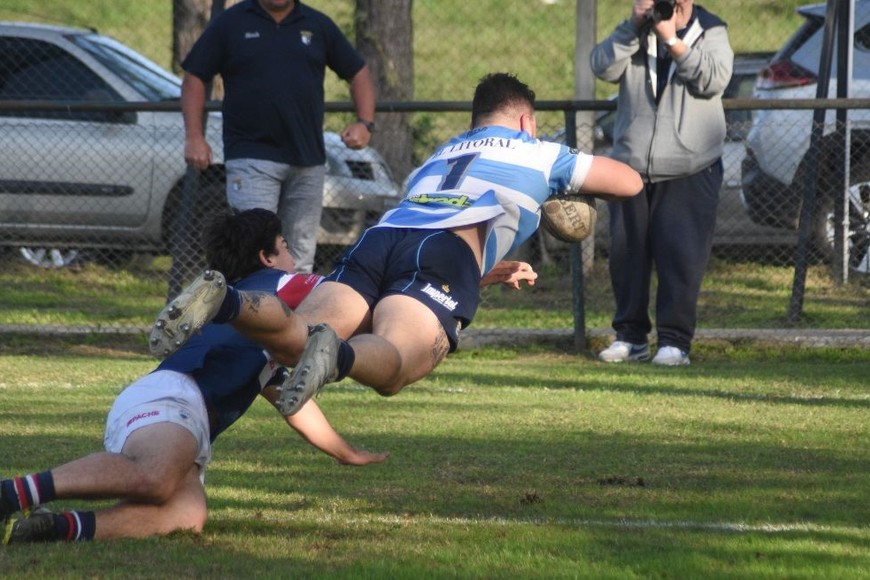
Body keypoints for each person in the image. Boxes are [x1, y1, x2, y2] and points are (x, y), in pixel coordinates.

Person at [150, 72, 643, 417]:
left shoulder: (439, 156)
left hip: (383, 237)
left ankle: (227, 299)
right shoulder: (539, 151)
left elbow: (422, 227)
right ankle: (340, 358)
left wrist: (483, 270)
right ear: (524, 121)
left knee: (297, 334)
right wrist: (566, 183)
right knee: (394, 367)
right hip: (447, 248)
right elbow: (629, 182)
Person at [1, 209, 387, 545]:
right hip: (175, 395)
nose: (293, 257)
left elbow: (292, 400)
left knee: (186, 516)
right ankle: (11, 494)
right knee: (156, 476)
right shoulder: (281, 287)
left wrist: (346, 453)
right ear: (267, 257)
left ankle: (54, 529)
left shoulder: (260, 326)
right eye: (285, 246)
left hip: (184, 414)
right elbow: (347, 292)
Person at [181, 0, 377, 274]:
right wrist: (194, 136)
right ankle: (248, 315)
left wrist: (364, 122)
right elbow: (194, 77)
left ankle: (293, 316)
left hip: (307, 160)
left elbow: (358, 73)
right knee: (252, 253)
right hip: (251, 157)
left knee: (299, 258)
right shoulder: (231, 22)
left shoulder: (317, 24)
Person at [590, 0, 733, 366]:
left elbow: (714, 79)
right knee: (626, 259)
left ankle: (674, 343)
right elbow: (602, 66)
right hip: (632, 169)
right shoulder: (636, 30)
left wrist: (674, 42)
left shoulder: (712, 30)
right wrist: (631, 26)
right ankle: (630, 338)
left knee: (681, 260)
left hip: (689, 167)